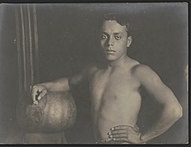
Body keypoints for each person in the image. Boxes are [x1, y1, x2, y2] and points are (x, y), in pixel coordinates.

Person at [31, 13, 183, 144]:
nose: (110, 43)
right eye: (105, 36)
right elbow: (70, 82)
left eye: (117, 37)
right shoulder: (93, 70)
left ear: (128, 41)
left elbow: (175, 110)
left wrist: (142, 138)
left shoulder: (139, 71)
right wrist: (45, 86)